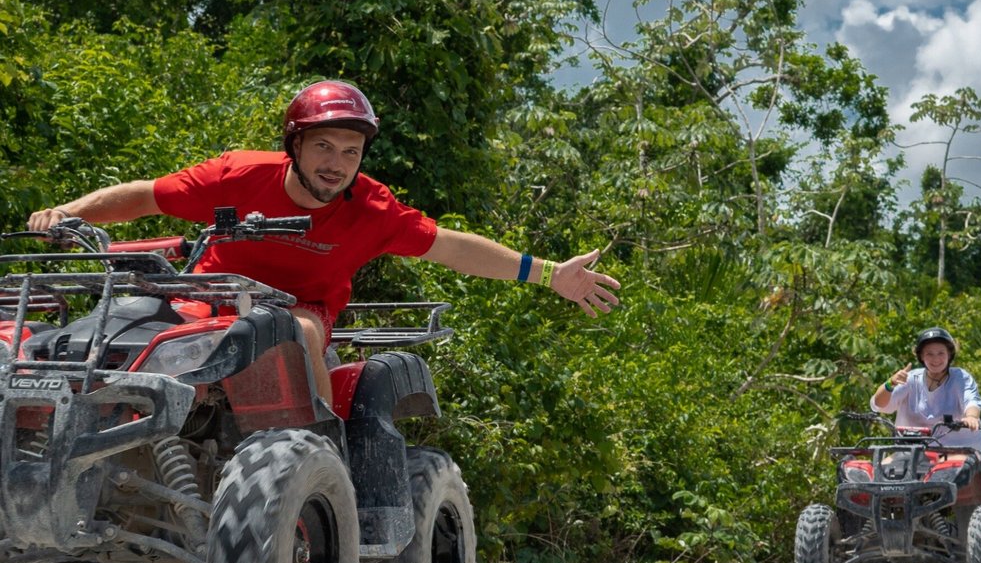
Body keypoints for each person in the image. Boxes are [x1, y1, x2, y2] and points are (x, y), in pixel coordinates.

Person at [27, 80, 620, 402]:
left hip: (301, 309)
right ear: (295, 145)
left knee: (294, 331)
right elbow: (144, 196)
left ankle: (314, 457)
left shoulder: (374, 208)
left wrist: (548, 273)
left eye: (351, 151)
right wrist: (66, 211)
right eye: (324, 147)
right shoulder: (239, 175)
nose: (338, 164)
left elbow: (450, 246)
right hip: (207, 298)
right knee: (125, 328)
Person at [870, 326, 981, 454]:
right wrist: (890, 383)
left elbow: (972, 401)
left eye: (941, 353)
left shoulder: (961, 377)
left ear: (949, 355)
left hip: (957, 450)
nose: (935, 359)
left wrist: (971, 417)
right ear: (921, 357)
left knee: (947, 473)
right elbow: (879, 405)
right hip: (912, 452)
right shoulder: (910, 378)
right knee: (881, 470)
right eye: (929, 354)